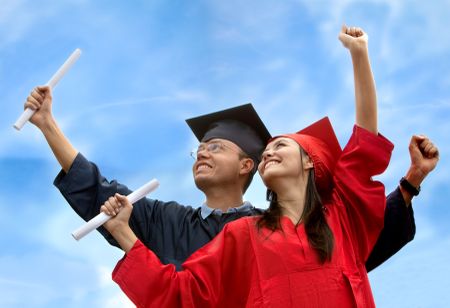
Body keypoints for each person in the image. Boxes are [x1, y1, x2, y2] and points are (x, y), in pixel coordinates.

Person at [24, 25, 435, 275]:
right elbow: (94, 187)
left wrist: (411, 182)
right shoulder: (164, 219)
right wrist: (47, 124)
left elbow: (355, 243)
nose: (202, 153)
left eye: (215, 146)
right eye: (199, 148)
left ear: (246, 165)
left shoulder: (277, 229)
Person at [102, 25, 410, 307]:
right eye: (265, 152)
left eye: (280, 145)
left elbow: (364, 143)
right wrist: (124, 233)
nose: (268, 153)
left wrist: (359, 54)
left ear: (308, 161)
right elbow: (181, 294)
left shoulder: (342, 220)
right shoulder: (243, 235)